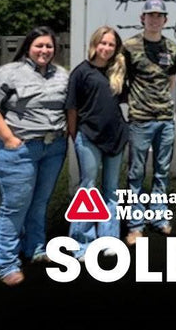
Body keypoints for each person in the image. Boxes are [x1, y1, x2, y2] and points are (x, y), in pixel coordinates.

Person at [0, 26, 68, 286]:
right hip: (19, 151)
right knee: (15, 207)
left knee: (40, 202)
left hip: (53, 149)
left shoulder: (62, 75)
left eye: (49, 46)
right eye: (39, 45)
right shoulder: (8, 72)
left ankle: (36, 249)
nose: (44, 50)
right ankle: (6, 263)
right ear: (28, 46)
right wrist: (9, 139)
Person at [66, 25, 129, 259]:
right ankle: (81, 243)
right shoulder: (81, 72)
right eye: (103, 43)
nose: (106, 48)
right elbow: (71, 108)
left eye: (111, 44)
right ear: (94, 44)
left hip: (115, 138)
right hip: (88, 137)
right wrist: (76, 136)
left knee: (112, 190)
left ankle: (109, 239)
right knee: (88, 189)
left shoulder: (118, 73)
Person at [123, 0, 176, 245]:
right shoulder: (130, 46)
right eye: (150, 15)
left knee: (162, 171)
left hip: (165, 119)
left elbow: (171, 80)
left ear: (165, 20)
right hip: (140, 119)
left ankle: (158, 217)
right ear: (142, 18)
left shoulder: (172, 47)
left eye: (159, 16)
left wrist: (166, 106)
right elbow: (120, 79)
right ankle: (135, 225)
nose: (155, 19)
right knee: (136, 173)